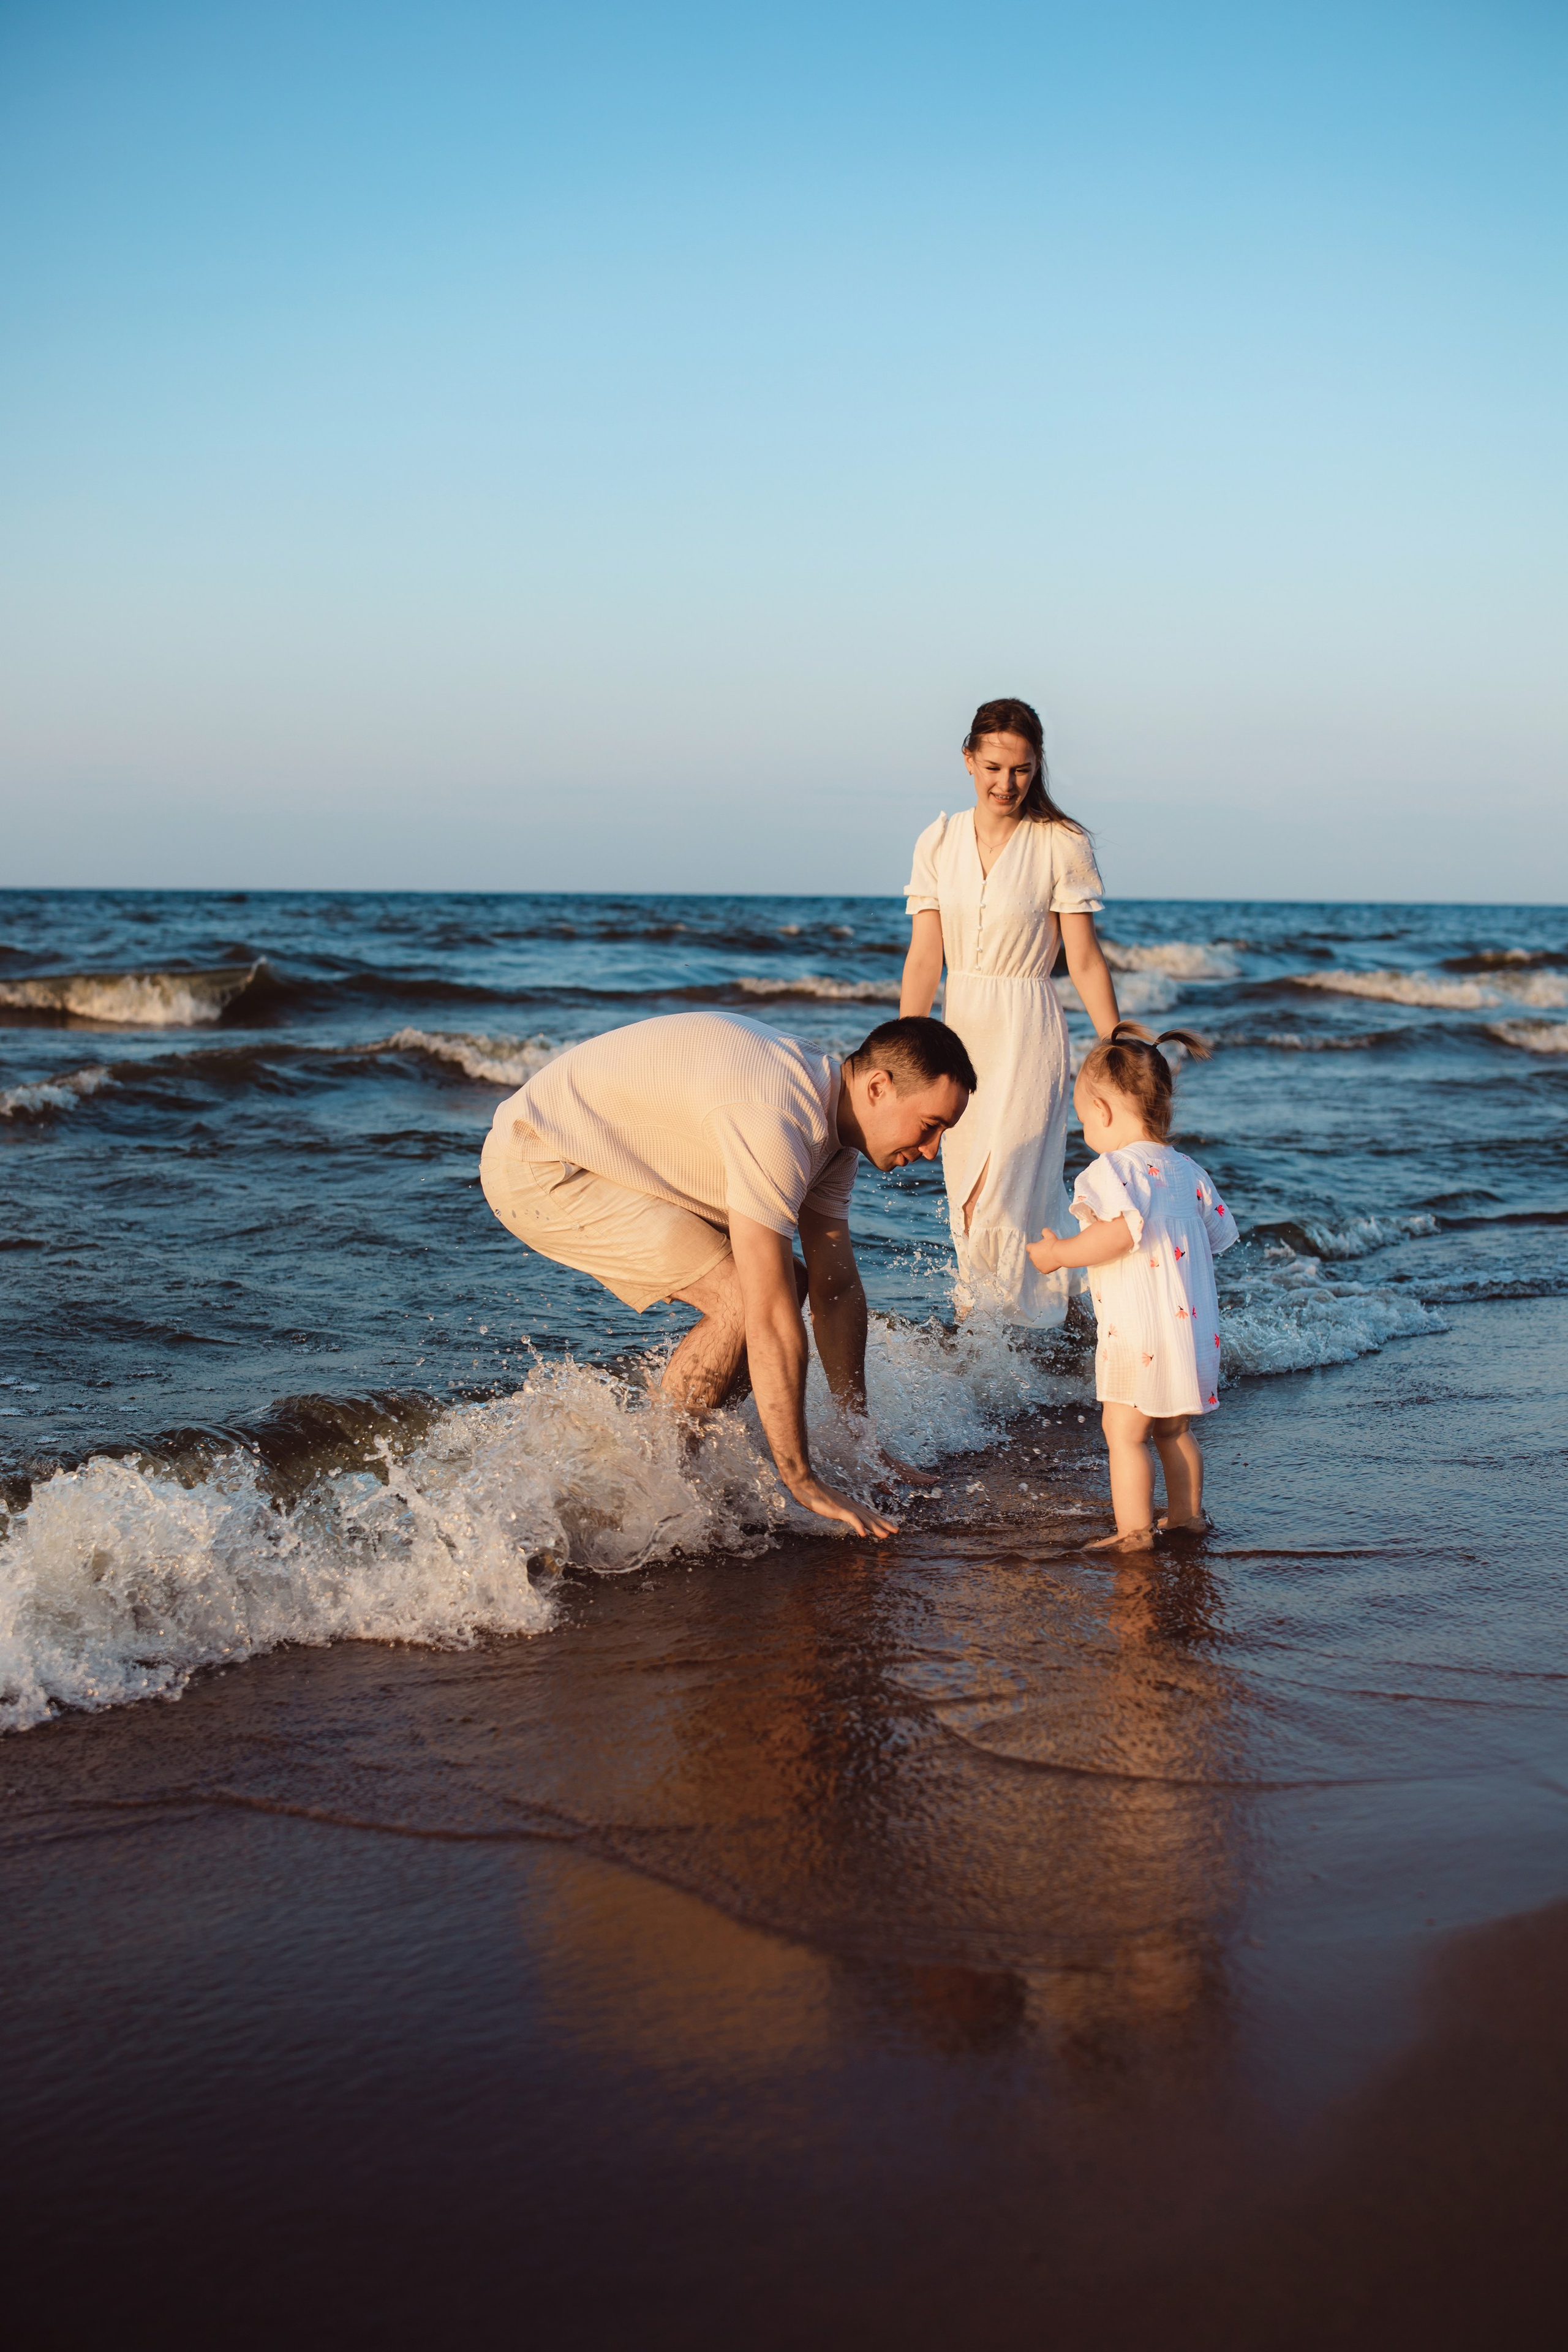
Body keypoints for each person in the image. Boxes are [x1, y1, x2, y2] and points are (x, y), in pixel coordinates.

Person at [480, 1009, 977, 1541]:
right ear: (878, 1087)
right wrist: (802, 1479)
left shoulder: (832, 1139)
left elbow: (837, 1289)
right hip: (543, 1163)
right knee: (746, 1297)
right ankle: (660, 1483)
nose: (932, 1152)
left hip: (613, 1159)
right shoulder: (778, 1115)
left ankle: (701, 1458)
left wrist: (861, 1441)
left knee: (799, 1283)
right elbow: (766, 1312)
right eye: (931, 1126)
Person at [900, 695, 1121, 1325]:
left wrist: (1116, 1046)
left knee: (1009, 1192)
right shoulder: (937, 842)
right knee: (968, 1196)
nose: (1006, 783)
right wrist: (905, 1048)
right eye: (993, 767)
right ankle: (1064, 1326)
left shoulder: (1061, 843)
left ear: (1037, 766)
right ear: (968, 759)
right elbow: (923, 960)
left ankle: (989, 1341)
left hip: (1029, 1029)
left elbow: (1082, 960)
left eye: (1021, 769)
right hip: (960, 1034)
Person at [1026, 1024, 1236, 1551]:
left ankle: (1134, 1532)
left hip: (1139, 1334)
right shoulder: (1189, 1170)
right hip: (1192, 1332)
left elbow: (1118, 1233)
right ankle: (1187, 1517)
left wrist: (1059, 1254)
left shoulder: (1109, 1170)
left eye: (1081, 1119)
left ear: (1101, 1109)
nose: (1085, 1130)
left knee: (1124, 1435)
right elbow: (1215, 1239)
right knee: (1174, 1431)